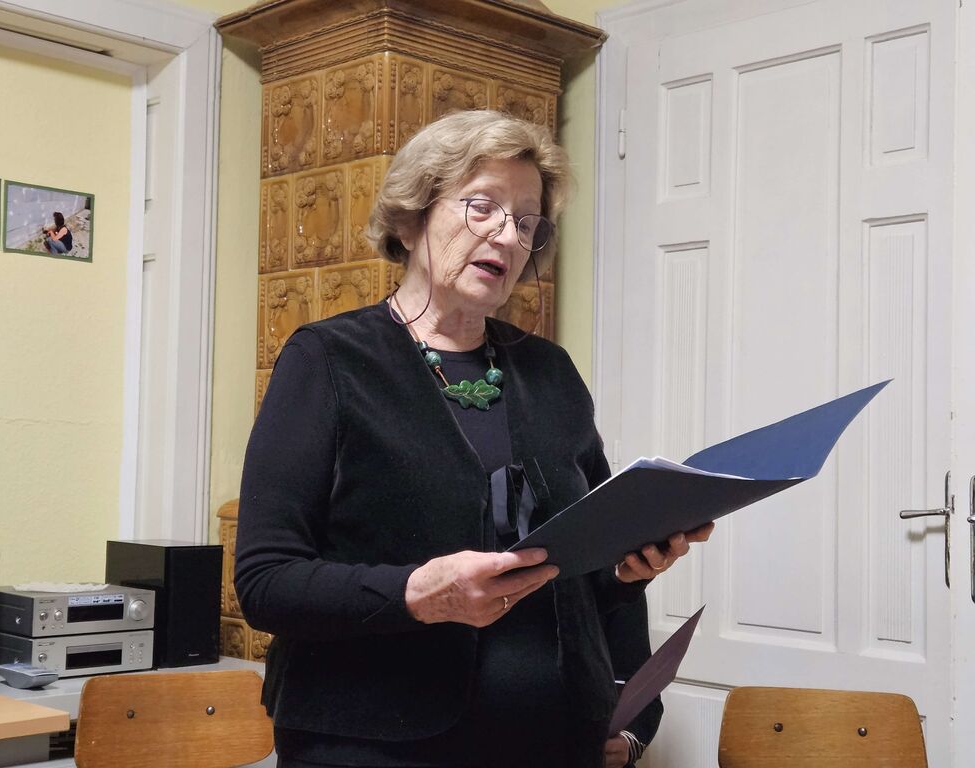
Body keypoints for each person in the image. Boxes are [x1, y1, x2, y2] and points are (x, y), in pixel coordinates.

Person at [236, 109, 713, 768]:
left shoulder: (550, 372)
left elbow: (592, 569)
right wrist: (415, 594)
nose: (508, 236)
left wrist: (630, 692)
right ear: (410, 219)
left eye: (526, 222)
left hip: (553, 741)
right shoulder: (326, 361)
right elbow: (266, 582)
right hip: (368, 746)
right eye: (483, 207)